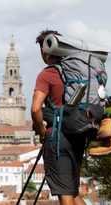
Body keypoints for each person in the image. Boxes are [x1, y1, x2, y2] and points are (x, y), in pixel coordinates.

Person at [31, 29, 87, 205]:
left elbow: (35, 109)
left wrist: (41, 133)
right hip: (78, 135)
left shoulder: (47, 74)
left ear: (43, 50)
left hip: (58, 138)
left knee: (65, 194)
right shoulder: (76, 72)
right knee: (73, 192)